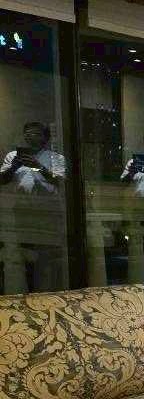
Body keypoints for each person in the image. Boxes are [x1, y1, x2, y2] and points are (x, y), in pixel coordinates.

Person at [0, 121, 67, 291]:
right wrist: (14, 167)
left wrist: (39, 167)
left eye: (36, 133)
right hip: (20, 211)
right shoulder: (13, 156)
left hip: (47, 212)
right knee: (17, 254)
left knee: (46, 257)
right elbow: (2, 180)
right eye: (27, 133)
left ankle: (46, 296)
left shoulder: (56, 158)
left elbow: (61, 181)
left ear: (45, 138)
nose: (30, 136)